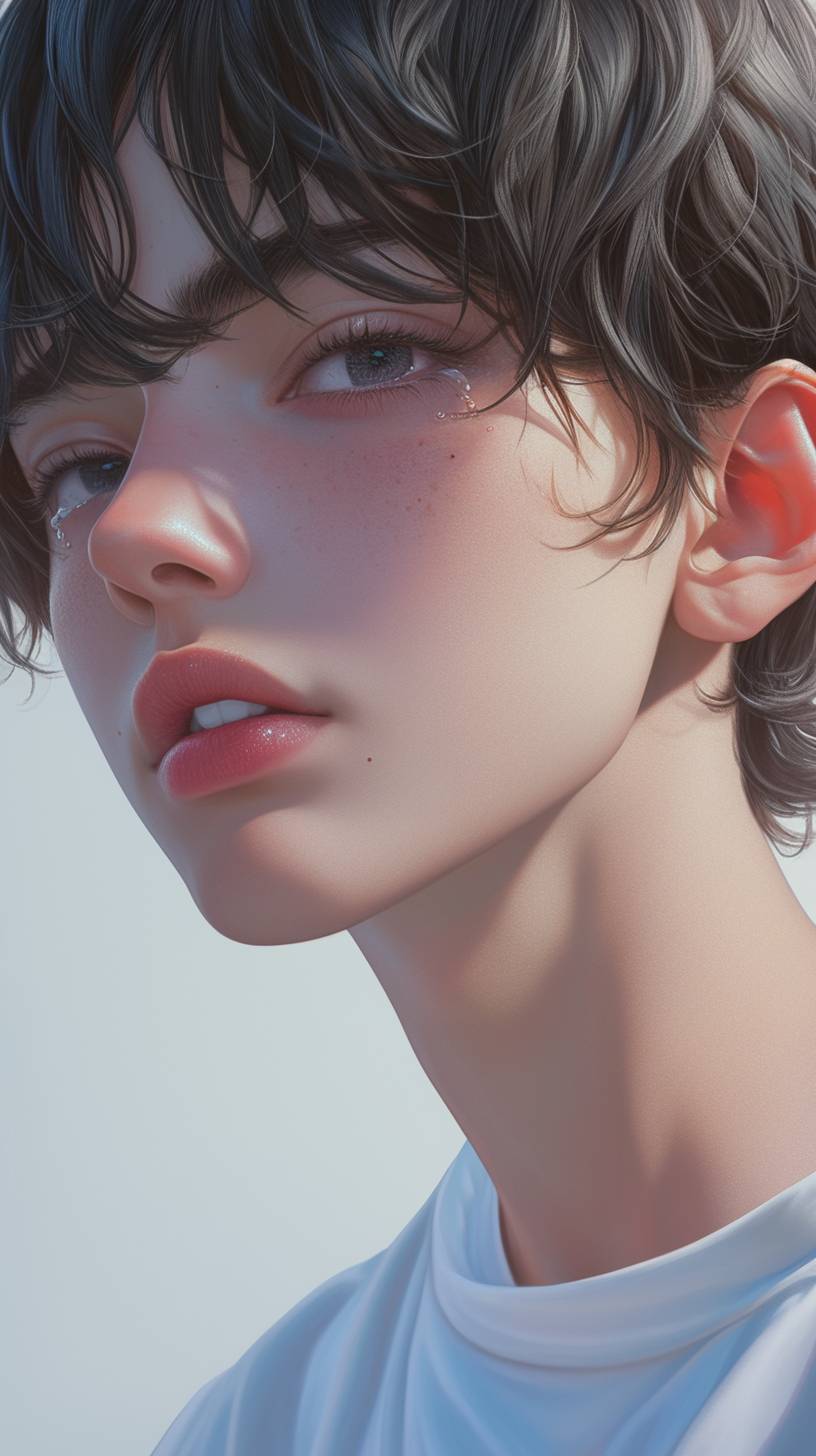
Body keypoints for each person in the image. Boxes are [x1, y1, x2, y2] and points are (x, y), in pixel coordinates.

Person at [2, 0, 816, 1450]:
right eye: (79, 461)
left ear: (752, 499)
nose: (139, 528)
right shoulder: (261, 1428)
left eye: (366, 353)